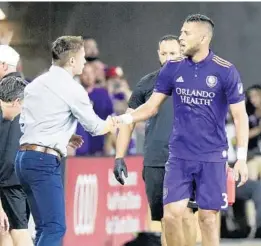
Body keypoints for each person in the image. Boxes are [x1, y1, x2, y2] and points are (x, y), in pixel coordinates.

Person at [113, 14, 249, 246]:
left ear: (204, 37)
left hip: (212, 156)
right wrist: (126, 118)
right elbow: (152, 106)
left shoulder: (225, 71)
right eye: (181, 32)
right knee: (172, 215)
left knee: (207, 218)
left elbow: (240, 116)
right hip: (179, 157)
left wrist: (243, 159)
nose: (181, 37)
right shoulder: (172, 69)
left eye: (187, 33)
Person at [14, 36, 114, 246]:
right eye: (82, 58)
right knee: (55, 227)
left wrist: (64, 135)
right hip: (43, 162)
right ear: (71, 61)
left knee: (43, 227)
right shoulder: (72, 88)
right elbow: (96, 127)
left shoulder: (35, 84)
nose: (85, 62)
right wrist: (117, 122)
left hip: (24, 159)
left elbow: (25, 124)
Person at [113, 35, 197, 246]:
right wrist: (119, 156)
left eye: (173, 53)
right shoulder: (147, 83)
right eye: (164, 53)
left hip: (188, 159)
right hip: (155, 160)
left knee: (185, 215)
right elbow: (128, 121)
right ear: (158, 55)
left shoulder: (197, 81)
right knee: (166, 219)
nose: (168, 58)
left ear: (182, 53)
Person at [0, 47, 33, 246]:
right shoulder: (31, 90)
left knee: (16, 230)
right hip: (25, 172)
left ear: (3, 65)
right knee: (9, 230)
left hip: (6, 176)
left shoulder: (5, 94)